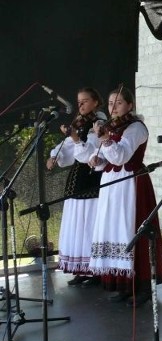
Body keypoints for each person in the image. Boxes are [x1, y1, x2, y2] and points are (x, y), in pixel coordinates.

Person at [87, 87, 162, 307]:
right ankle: (123, 284)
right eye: (111, 103)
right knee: (114, 229)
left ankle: (142, 286)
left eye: (119, 103)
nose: (113, 107)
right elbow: (107, 158)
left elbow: (122, 156)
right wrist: (96, 160)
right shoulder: (111, 128)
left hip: (131, 184)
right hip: (112, 184)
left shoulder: (136, 127)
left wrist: (105, 141)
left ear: (130, 105)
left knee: (132, 229)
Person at [47, 87, 106, 286]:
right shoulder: (80, 122)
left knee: (89, 223)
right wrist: (55, 156)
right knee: (77, 223)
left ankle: (95, 269)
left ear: (96, 102)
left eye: (85, 101)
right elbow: (68, 146)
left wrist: (75, 138)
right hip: (77, 179)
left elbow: (90, 150)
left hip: (91, 177)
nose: (80, 105)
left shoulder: (98, 124)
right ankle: (81, 268)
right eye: (79, 101)